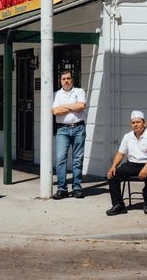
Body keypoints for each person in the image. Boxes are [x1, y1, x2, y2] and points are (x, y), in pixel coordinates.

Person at [105, 110, 147, 216]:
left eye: (138, 122)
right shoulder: (127, 136)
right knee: (112, 176)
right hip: (132, 164)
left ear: (144, 123)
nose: (135, 125)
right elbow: (120, 154)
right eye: (133, 122)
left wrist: (145, 169)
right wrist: (113, 167)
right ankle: (118, 205)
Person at [52, 70, 88, 199]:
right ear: (60, 81)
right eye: (63, 79)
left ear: (72, 79)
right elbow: (56, 111)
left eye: (68, 78)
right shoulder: (56, 94)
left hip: (79, 128)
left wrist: (64, 107)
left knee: (77, 160)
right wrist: (73, 105)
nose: (66, 81)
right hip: (62, 130)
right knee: (61, 159)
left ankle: (77, 187)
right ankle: (62, 189)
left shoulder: (79, 91)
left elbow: (81, 106)